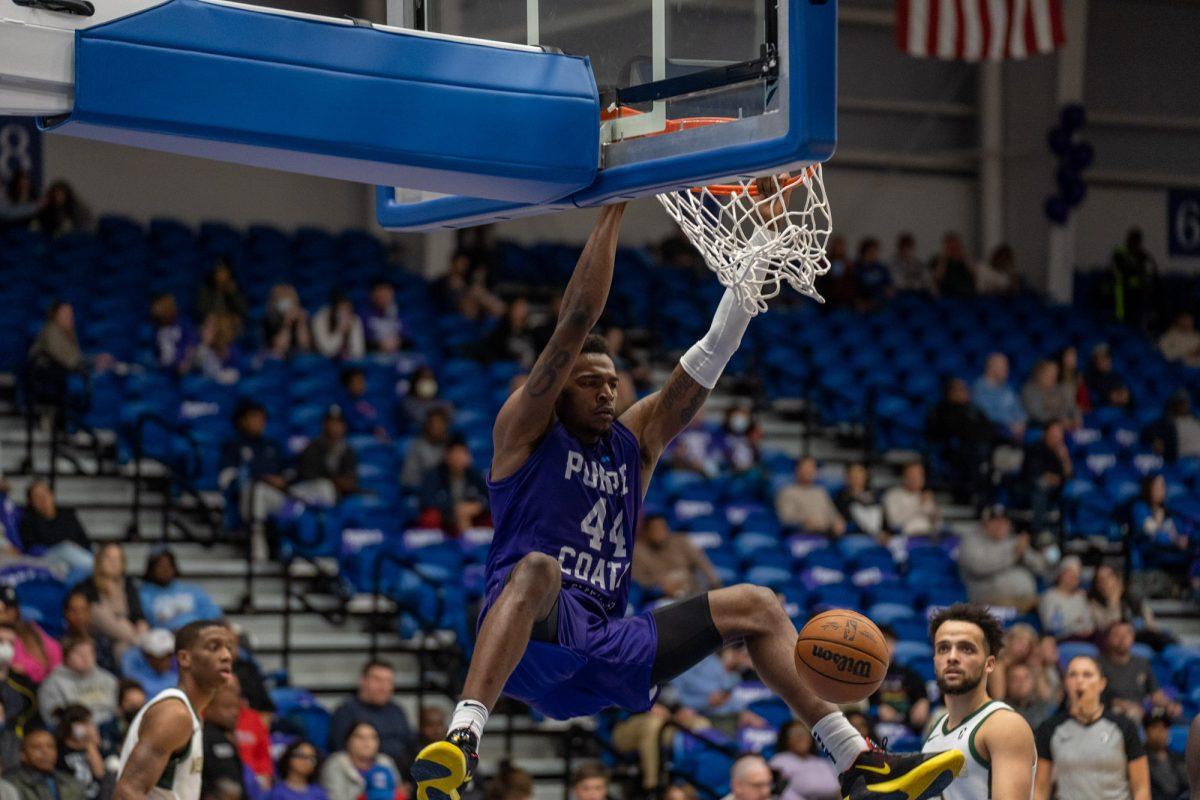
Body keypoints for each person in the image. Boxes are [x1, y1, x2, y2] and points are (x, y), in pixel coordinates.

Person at [411, 204, 963, 800]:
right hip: (529, 641)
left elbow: (710, 353)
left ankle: (858, 761)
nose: (607, 391)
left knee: (757, 603)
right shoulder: (522, 433)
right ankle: (464, 738)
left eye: (612, 381)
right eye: (589, 382)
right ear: (557, 388)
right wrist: (613, 206)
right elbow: (576, 318)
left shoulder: (633, 446)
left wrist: (750, 273)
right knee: (541, 567)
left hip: (603, 644)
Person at [923, 603, 1037, 800]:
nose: (952, 657)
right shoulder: (937, 729)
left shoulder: (1005, 725)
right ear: (934, 661)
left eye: (966, 649)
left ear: (989, 664)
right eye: (943, 648)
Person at [114, 620, 237, 800]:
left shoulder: (189, 713)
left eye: (228, 648)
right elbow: (127, 792)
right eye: (213, 647)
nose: (226, 655)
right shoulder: (174, 714)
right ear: (184, 658)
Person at [1034, 655, 1150, 800]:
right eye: (1072, 675)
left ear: (1102, 684)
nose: (1079, 681)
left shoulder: (1124, 726)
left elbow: (1141, 788)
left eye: (1087, 675)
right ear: (1066, 683)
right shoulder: (1050, 728)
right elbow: (1040, 788)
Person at [327, 662, 415, 771]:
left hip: (402, 773)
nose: (384, 686)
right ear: (363, 681)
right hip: (364, 773)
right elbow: (341, 750)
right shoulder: (346, 711)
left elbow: (411, 743)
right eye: (378, 680)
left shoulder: (397, 710)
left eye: (389, 681)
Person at [957, 504, 1044, 610]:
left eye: (1004, 522)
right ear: (985, 524)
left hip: (1020, 601)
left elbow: (1040, 567)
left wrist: (1024, 555)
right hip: (984, 601)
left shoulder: (1012, 541)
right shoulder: (972, 542)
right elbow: (979, 567)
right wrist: (1013, 555)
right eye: (995, 521)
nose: (1000, 525)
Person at [924, 377, 995, 503]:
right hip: (954, 450)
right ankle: (967, 496)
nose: (965, 392)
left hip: (979, 448)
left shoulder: (975, 410)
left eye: (965, 389)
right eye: (960, 390)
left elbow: (988, 429)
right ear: (950, 392)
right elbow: (942, 433)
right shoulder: (942, 410)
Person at [74, 544, 148, 661]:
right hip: (101, 634)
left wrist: (141, 624)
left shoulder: (129, 584)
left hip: (127, 636)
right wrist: (135, 635)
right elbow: (96, 616)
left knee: (124, 648)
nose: (114, 562)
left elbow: (138, 614)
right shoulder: (87, 586)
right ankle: (141, 641)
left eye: (118, 559)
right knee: (97, 611)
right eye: (109, 558)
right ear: (99, 561)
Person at [1099, 622, 1178, 725]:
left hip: (1140, 712)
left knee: (1164, 719)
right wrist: (1120, 704)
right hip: (1111, 712)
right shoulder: (1098, 665)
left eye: (1127, 634)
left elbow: (1154, 694)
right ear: (1108, 638)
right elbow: (1097, 697)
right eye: (1117, 634)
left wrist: (1169, 705)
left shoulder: (1142, 663)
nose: (1122, 638)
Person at [630, 514, 721, 599]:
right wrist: (661, 586)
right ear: (646, 532)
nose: (660, 532)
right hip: (661, 597)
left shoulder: (681, 541)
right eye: (655, 529)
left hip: (691, 590)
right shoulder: (637, 551)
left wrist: (714, 584)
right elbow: (640, 581)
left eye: (662, 528)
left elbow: (703, 564)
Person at [1088, 564, 1173, 651]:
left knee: (1164, 638)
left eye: (1109, 577)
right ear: (1096, 584)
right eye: (1100, 579)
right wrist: (1114, 602)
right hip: (1117, 639)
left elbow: (1149, 623)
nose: (1104, 582)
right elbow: (1107, 628)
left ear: (1118, 580)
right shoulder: (1093, 604)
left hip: (1141, 636)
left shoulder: (1132, 599)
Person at [37, 638, 117, 727]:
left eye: (90, 653)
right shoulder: (51, 684)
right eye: (79, 654)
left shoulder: (108, 679)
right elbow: (53, 720)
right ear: (66, 656)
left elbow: (117, 709)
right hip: (75, 731)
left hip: (110, 726)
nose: (86, 658)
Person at [18, 481, 93, 576]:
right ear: (31, 502)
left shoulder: (67, 515)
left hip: (74, 557)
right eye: (37, 496)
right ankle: (99, 568)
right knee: (66, 549)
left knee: (70, 567)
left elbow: (84, 539)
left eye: (45, 493)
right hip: (47, 557)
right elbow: (32, 548)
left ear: (51, 495)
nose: (43, 498)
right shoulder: (27, 521)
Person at [139, 551, 222, 632]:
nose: (165, 570)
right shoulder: (143, 594)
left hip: (196, 633)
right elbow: (145, 623)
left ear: (174, 568)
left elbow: (214, 614)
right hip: (164, 636)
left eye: (168, 566)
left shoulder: (191, 590)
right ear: (151, 569)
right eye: (160, 566)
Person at [418, 440, 489, 534]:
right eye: (456, 453)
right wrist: (455, 508)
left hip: (470, 516)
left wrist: (477, 506)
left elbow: (489, 498)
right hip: (446, 517)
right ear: (447, 456)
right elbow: (427, 501)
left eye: (463, 453)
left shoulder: (473, 474)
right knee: (430, 517)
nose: (459, 458)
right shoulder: (434, 475)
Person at [870, 626, 930, 734]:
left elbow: (922, 695)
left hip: (907, 729)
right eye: (879, 642)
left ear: (895, 645)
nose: (884, 647)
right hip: (875, 729)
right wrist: (876, 710)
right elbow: (860, 707)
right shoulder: (866, 674)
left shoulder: (907, 673)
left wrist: (923, 702)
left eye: (888, 642)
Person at [0, 585, 62, 685]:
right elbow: (15, 668)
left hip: (43, 684)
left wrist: (31, 669)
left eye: (12, 607)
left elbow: (55, 653)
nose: (10, 612)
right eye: (5, 608)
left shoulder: (29, 628)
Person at [319, 724, 400, 800]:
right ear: (348, 741)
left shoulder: (385, 762)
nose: (367, 742)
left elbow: (397, 792)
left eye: (373, 737)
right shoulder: (336, 763)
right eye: (360, 737)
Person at [295, 407, 357, 504]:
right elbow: (308, 475)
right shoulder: (313, 447)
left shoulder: (347, 450)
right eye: (332, 423)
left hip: (336, 493)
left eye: (339, 423)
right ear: (325, 425)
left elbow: (351, 477)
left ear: (344, 426)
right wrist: (335, 480)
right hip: (308, 490)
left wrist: (346, 482)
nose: (336, 427)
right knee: (326, 487)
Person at [1023, 421, 1073, 536]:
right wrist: (1057, 479)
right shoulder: (1035, 448)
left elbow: (1069, 475)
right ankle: (1037, 531)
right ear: (1046, 433)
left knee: (1070, 490)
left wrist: (1065, 459)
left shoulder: (1062, 450)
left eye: (1059, 435)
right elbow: (1036, 473)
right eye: (1053, 434)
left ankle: (1065, 532)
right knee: (1041, 486)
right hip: (1031, 484)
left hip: (1057, 486)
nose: (1056, 438)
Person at [774, 457, 846, 536]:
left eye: (812, 467)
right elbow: (785, 519)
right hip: (801, 535)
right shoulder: (787, 492)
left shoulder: (820, 492)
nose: (809, 471)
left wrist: (838, 523)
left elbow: (833, 515)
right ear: (797, 470)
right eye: (806, 467)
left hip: (827, 534)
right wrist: (803, 523)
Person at [769, 721, 839, 800]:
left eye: (805, 733)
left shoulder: (821, 762)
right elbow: (779, 791)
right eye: (796, 733)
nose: (802, 737)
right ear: (786, 738)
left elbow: (835, 788)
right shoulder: (779, 761)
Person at [6, 730, 85, 800]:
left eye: (50, 746)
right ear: (23, 754)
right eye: (37, 747)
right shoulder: (9, 786)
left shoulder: (72, 783)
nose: (46, 752)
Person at [1, 621, 40, 761]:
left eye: (10, 643)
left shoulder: (24, 682)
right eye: (0, 641)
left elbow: (34, 717)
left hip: (17, 746)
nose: (5, 648)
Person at [200, 684, 247, 800]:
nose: (235, 713)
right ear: (208, 708)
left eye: (237, 708)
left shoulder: (227, 737)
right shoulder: (202, 737)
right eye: (227, 707)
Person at [52, 706, 105, 800]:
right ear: (70, 725)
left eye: (89, 723)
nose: (88, 727)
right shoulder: (59, 750)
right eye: (83, 723)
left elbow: (99, 773)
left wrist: (90, 743)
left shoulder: (90, 747)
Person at [1133, 474, 1191, 558]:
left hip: (1171, 554)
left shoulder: (1168, 508)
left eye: (1164, 486)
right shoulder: (1140, 507)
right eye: (1158, 487)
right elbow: (1149, 533)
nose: (1163, 491)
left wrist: (1179, 539)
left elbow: (1175, 532)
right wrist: (1157, 521)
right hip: (1150, 558)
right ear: (1149, 488)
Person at [972, 353, 1027, 442]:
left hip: (1015, 429)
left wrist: (1020, 423)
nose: (1007, 370)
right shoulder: (979, 388)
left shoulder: (1007, 388)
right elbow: (986, 414)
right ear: (991, 367)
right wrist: (1010, 425)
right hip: (995, 431)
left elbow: (1018, 409)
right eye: (1003, 366)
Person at [1039, 557, 1095, 640]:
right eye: (1070, 574)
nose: (1074, 578)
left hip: (1085, 639)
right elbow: (1051, 626)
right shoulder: (1050, 596)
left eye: (1077, 575)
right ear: (1061, 575)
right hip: (1060, 641)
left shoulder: (1081, 596)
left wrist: (1076, 623)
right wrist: (1076, 624)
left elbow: (1089, 623)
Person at [882, 462, 941, 537]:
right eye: (913, 475)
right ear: (905, 477)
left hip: (927, 538)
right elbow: (894, 522)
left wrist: (933, 511)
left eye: (920, 475)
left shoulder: (925, 496)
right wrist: (920, 505)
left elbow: (937, 525)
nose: (917, 479)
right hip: (903, 537)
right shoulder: (892, 495)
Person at [400, 409, 451, 491]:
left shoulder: (451, 446)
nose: (437, 428)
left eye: (440, 425)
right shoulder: (417, 447)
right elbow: (408, 480)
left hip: (446, 494)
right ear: (427, 426)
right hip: (423, 493)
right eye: (434, 424)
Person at [480, 298, 538, 368]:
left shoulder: (532, 333)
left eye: (525, 307)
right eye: (519, 307)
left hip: (530, 370)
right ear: (511, 309)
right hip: (508, 370)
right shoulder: (500, 332)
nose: (523, 311)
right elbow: (493, 358)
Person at [1021, 360, 1080, 428]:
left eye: (1055, 373)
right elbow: (1038, 415)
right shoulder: (1029, 390)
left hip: (1064, 425)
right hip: (1041, 427)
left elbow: (1072, 406)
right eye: (1049, 373)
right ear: (1039, 374)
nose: (1053, 376)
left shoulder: (1058, 388)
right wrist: (1059, 421)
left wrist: (1076, 418)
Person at [1144, 709, 1188, 800]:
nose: (1161, 731)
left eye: (1165, 727)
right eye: (1155, 727)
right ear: (1146, 731)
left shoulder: (1179, 757)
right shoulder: (1140, 760)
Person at [149, 295, 199, 375]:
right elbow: (156, 352)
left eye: (159, 308)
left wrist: (186, 362)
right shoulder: (156, 330)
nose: (156, 311)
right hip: (164, 369)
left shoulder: (183, 324)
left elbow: (192, 345)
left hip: (183, 366)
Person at [1145, 390, 1200, 462]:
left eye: (1186, 402)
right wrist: (1156, 440)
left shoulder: (1194, 419)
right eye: (1181, 402)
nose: (1184, 405)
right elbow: (1150, 432)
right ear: (1174, 404)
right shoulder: (1167, 422)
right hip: (1184, 460)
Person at [120, 630, 178, 698]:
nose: (167, 661)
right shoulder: (134, 678)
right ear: (147, 655)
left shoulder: (173, 679)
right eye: (161, 657)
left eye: (169, 655)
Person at [311, 291, 365, 361]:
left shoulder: (354, 319)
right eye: (341, 309)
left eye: (347, 308)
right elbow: (326, 351)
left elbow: (358, 352)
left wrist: (350, 331)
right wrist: (340, 331)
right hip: (323, 361)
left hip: (347, 361)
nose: (344, 313)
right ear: (333, 309)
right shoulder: (320, 318)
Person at [262, 284, 312, 360]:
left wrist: (301, 323)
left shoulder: (301, 316)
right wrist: (287, 324)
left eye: (287, 296)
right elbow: (280, 346)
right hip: (275, 354)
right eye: (280, 297)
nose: (284, 301)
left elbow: (305, 345)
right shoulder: (269, 319)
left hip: (297, 354)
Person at [834, 463, 883, 537]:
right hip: (853, 536)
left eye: (859, 472)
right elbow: (841, 520)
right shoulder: (841, 497)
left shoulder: (876, 495)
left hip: (877, 535)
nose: (856, 476)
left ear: (866, 475)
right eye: (853, 473)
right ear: (846, 476)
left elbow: (883, 520)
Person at [1002, 663, 1055, 731]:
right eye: (1015, 679)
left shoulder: (1046, 709)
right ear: (1007, 683)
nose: (1021, 683)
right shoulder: (1001, 711)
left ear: (1033, 681)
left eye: (1026, 678)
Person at [196, 261, 248, 327]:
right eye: (218, 271)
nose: (221, 275)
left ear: (229, 273)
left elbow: (243, 310)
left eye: (224, 271)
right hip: (212, 324)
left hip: (230, 324)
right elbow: (202, 309)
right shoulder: (207, 289)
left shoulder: (235, 289)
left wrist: (233, 294)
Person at [361, 280, 404, 354]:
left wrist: (398, 342)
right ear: (373, 295)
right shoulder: (363, 315)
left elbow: (409, 340)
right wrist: (379, 345)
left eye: (387, 294)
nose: (385, 298)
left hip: (396, 356)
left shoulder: (399, 315)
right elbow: (359, 342)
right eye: (381, 294)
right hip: (372, 357)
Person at [930, 232, 974, 298]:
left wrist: (964, 257)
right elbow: (937, 278)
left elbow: (973, 276)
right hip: (946, 294)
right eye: (951, 246)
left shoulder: (964, 260)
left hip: (965, 294)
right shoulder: (938, 260)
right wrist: (945, 258)